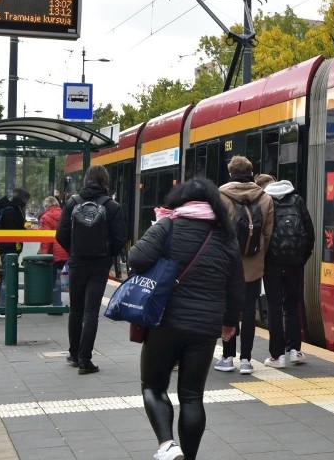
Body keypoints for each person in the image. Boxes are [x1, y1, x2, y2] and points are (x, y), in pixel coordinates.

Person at [128, 177, 244, 460]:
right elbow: (237, 286)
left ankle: (167, 445)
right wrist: (229, 323)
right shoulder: (226, 236)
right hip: (205, 327)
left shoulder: (167, 225)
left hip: (166, 321)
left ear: (179, 200)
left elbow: (135, 259)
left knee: (154, 386)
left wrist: (156, 231)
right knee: (192, 396)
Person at [56, 165, 127, 375]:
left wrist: (74, 251)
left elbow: (61, 234)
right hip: (99, 265)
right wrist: (107, 256)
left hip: (77, 262)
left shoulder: (72, 203)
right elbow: (120, 238)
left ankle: (74, 354)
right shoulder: (112, 206)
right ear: (105, 181)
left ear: (86, 180)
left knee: (75, 310)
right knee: (91, 312)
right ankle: (85, 360)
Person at [217, 156, 274, 374]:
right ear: (251, 172)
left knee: (228, 308)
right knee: (249, 310)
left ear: (231, 173)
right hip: (253, 263)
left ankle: (227, 356)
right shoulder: (265, 197)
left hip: (227, 263)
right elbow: (268, 234)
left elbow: (217, 231)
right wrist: (258, 255)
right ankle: (246, 361)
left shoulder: (220, 195)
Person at [262, 178, 315, 368]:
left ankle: (277, 356)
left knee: (274, 306)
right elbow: (310, 232)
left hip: (272, 263)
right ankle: (295, 351)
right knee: (292, 304)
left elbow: (263, 233)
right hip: (295, 263)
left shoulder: (266, 201)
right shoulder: (297, 200)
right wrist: (302, 257)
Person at [0, 187, 30, 310]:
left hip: (8, 247)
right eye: (26, 200)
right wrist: (23, 231)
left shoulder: (11, 208)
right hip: (9, 248)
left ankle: (8, 303)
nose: (26, 203)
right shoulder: (11, 211)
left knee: (9, 277)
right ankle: (5, 306)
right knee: (8, 278)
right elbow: (12, 231)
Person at [37, 195, 69, 310]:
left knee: (55, 279)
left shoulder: (46, 217)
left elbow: (46, 239)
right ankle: (64, 303)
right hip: (66, 250)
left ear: (47, 206)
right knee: (63, 277)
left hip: (55, 253)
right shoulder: (66, 214)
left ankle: (56, 305)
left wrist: (43, 254)